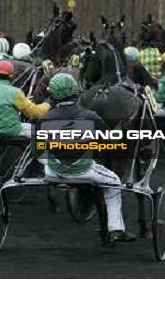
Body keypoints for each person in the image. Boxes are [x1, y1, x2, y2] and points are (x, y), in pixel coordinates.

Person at [41, 73, 136, 244]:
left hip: (52, 173)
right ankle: (116, 229)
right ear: (76, 93)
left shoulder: (44, 118)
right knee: (114, 181)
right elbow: (109, 140)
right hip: (82, 171)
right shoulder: (89, 116)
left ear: (53, 95)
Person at [0, 60, 50, 138]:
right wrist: (47, 104)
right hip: (13, 132)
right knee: (43, 132)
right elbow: (32, 113)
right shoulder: (16, 92)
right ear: (11, 75)